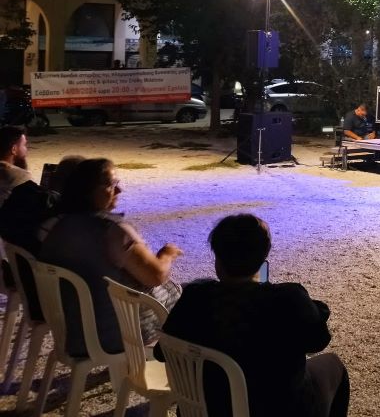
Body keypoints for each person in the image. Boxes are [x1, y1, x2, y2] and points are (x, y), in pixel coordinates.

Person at [159, 214, 350, 417]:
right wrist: (313, 310)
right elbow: (318, 341)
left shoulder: (195, 296)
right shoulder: (289, 299)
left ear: (217, 260)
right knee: (334, 365)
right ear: (262, 260)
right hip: (280, 409)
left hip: (206, 409)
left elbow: (161, 352)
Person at [40, 158, 184, 355]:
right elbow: (156, 275)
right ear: (88, 190)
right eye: (111, 184)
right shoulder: (112, 230)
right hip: (115, 331)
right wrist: (167, 254)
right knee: (191, 300)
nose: (119, 190)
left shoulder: (53, 225)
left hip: (71, 331)